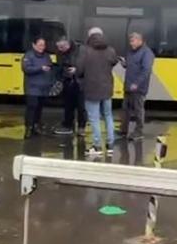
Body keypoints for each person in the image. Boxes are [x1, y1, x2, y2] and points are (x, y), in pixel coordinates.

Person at [76, 27, 119, 155]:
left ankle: (97, 146)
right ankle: (110, 145)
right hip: (107, 88)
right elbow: (114, 61)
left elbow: (79, 70)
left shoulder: (85, 51)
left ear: (89, 37)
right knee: (108, 115)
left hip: (91, 89)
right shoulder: (110, 50)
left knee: (94, 118)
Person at [120, 32, 155, 141]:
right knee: (126, 108)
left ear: (140, 40)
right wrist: (124, 64)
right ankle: (123, 130)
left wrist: (137, 83)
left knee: (138, 110)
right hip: (128, 86)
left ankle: (139, 131)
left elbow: (146, 70)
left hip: (138, 88)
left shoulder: (147, 53)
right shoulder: (131, 52)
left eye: (133, 41)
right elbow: (132, 66)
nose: (131, 44)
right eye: (130, 41)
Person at [53, 37, 86, 136]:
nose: (59, 49)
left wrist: (77, 70)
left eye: (61, 47)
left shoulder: (81, 50)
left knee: (81, 107)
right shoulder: (60, 52)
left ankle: (81, 127)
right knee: (68, 106)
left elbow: (88, 65)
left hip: (80, 82)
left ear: (67, 45)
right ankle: (68, 126)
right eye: (58, 47)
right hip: (67, 81)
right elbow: (59, 66)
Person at [22, 37, 53, 139]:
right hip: (32, 87)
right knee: (31, 107)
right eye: (40, 45)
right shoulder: (28, 55)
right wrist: (40, 68)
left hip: (43, 87)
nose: (42, 47)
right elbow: (26, 69)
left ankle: (36, 126)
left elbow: (50, 68)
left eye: (43, 45)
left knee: (39, 108)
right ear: (34, 45)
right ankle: (29, 128)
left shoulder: (46, 56)